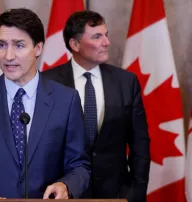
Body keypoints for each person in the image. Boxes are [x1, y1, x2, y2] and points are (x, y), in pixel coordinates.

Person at [0, 8, 90, 199]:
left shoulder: (66, 100)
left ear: (38, 48)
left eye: (19, 45)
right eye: (2, 45)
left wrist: (66, 185)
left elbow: (80, 166)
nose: (8, 56)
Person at [42, 11, 150, 202]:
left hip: (116, 195)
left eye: (105, 35)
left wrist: (136, 194)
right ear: (75, 44)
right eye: (97, 37)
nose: (106, 42)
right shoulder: (47, 83)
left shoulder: (126, 82)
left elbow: (140, 144)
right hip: (63, 194)